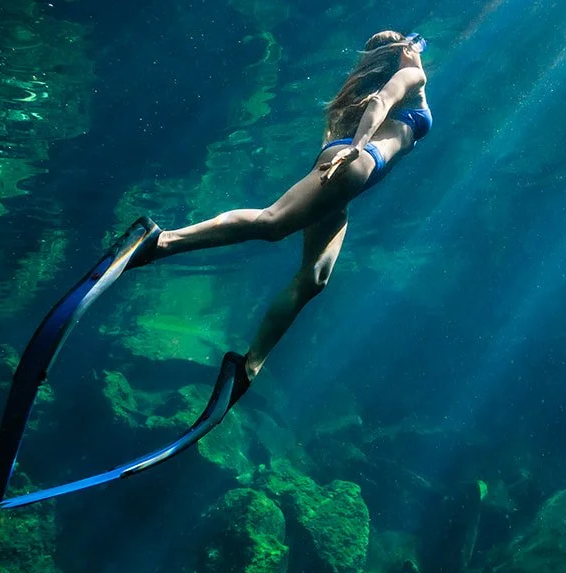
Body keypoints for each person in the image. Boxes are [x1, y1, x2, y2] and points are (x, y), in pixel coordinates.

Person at [133, 29, 432, 396]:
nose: (419, 53)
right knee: (272, 223)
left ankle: (249, 365)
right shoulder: (413, 75)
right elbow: (382, 103)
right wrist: (356, 147)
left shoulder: (367, 96)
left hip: (348, 181)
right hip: (355, 164)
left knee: (315, 278)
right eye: (415, 46)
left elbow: (371, 110)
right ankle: (160, 242)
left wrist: (346, 157)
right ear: (403, 49)